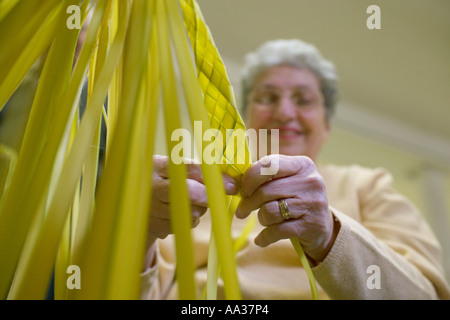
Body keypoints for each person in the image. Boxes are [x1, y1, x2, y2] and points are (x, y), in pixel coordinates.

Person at [141, 39, 450, 299]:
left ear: (326, 125)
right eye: (267, 98)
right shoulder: (196, 190)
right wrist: (141, 231)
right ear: (245, 118)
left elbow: (423, 295)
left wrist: (329, 236)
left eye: (303, 100)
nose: (284, 112)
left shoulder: (367, 186)